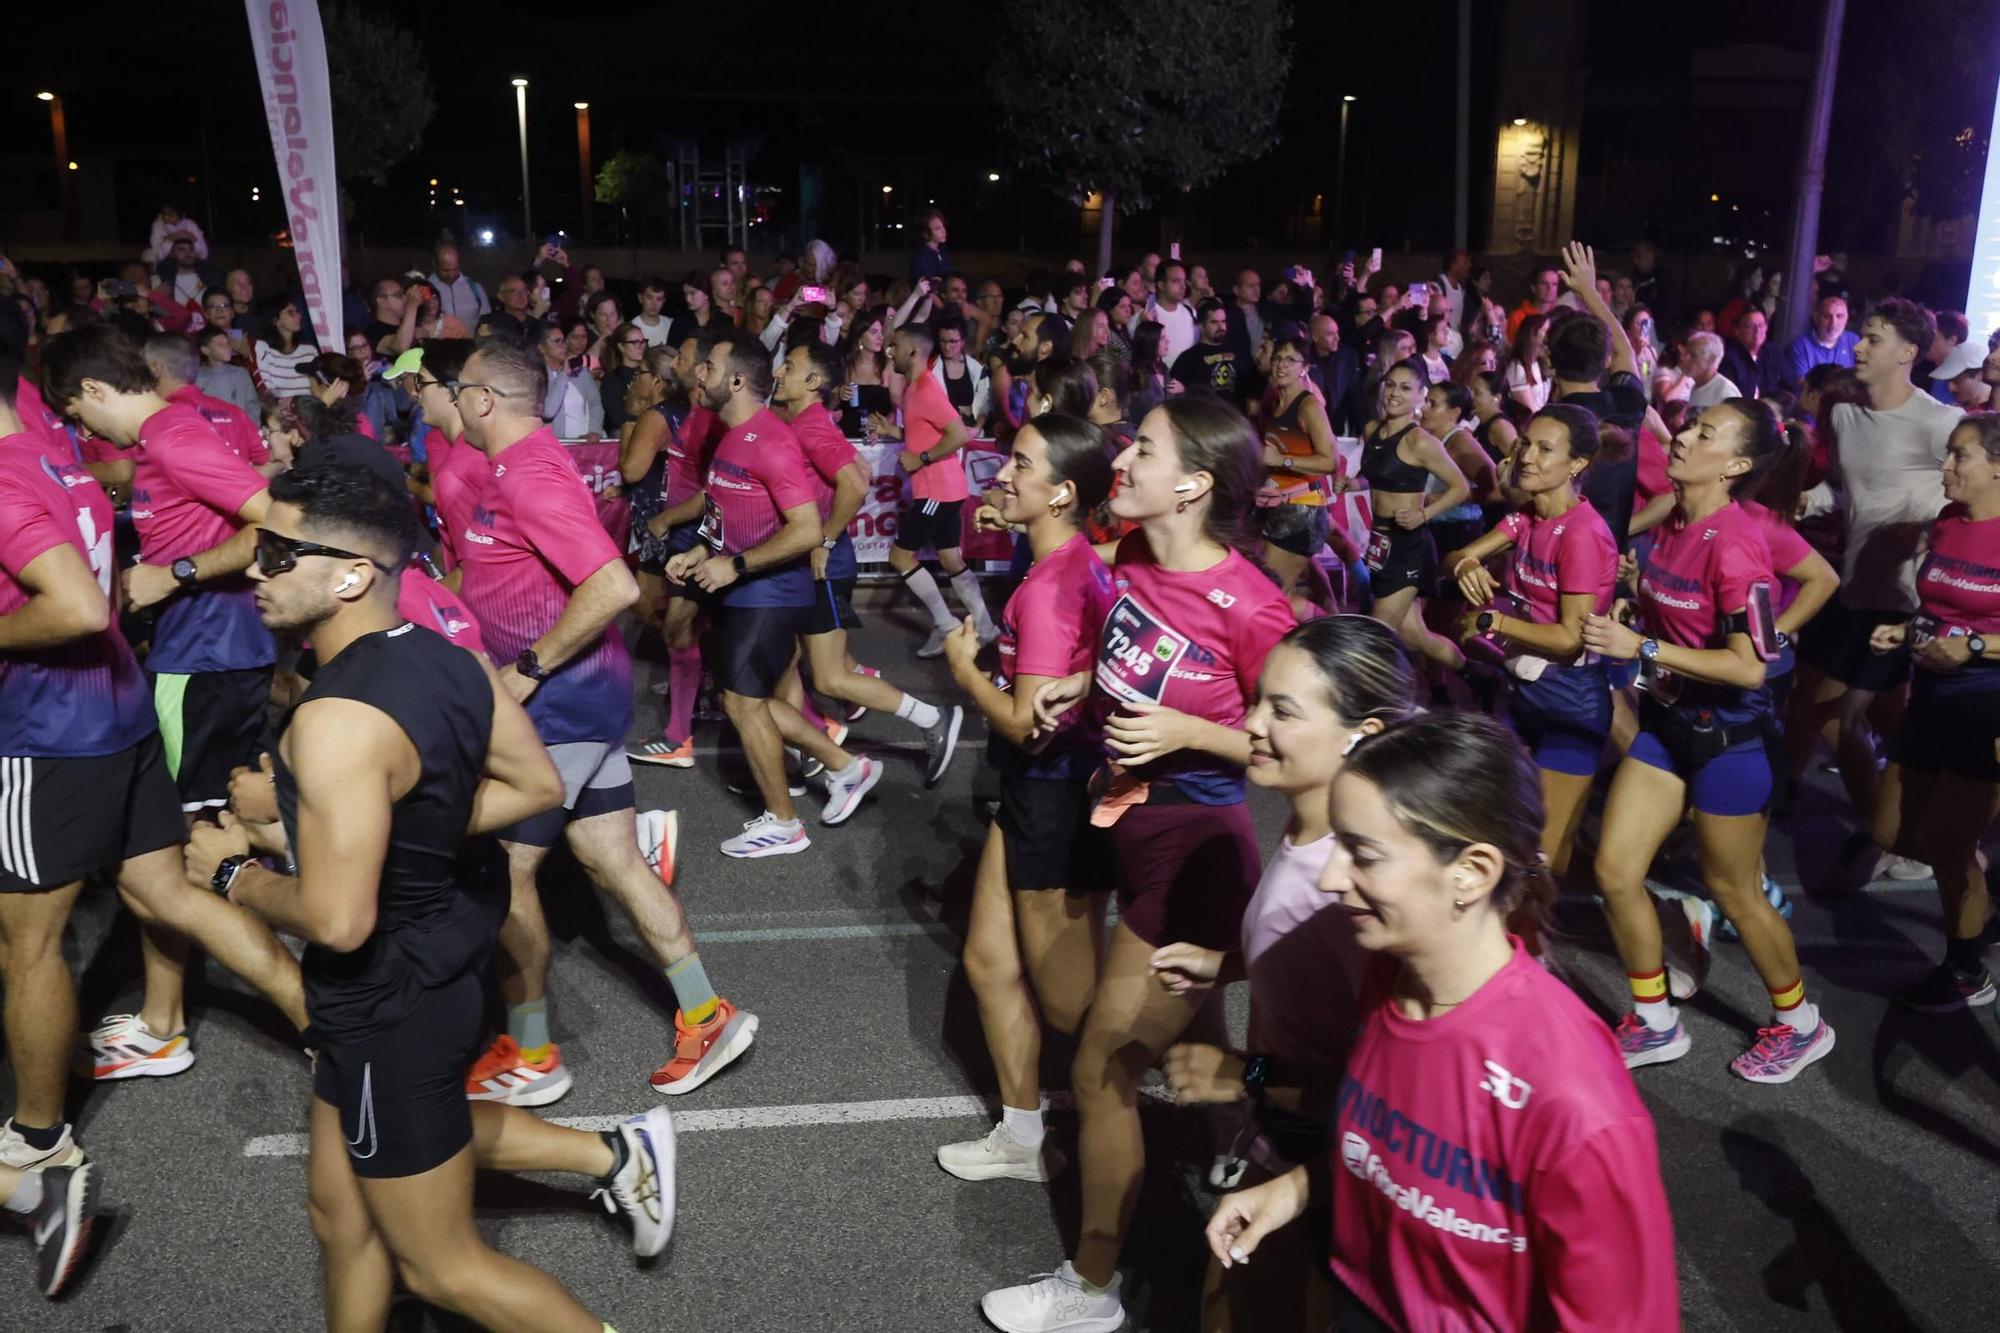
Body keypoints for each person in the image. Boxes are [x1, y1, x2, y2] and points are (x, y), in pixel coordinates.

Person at [228, 464, 673, 1331]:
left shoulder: (331, 721)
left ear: (353, 574)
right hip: (437, 956)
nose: (254, 567)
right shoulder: (455, 657)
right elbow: (538, 784)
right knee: (340, 1218)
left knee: (441, 1270)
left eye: (278, 552)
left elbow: (336, 917)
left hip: (387, 995)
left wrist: (232, 876)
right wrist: (416, 825)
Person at [1204, 712, 1679, 1332]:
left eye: (1363, 855)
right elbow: (1415, 1157)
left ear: (1472, 873)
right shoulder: (1389, 979)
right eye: (1336, 844)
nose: (1329, 878)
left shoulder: (1573, 1097)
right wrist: (1300, 1188)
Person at [981, 398, 1295, 1333]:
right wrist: (1083, 684)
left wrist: (1192, 729)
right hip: (1131, 832)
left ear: (1193, 484)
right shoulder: (1133, 562)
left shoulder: (1253, 605)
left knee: (1103, 1065)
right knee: (1194, 1049)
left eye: (1144, 449)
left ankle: (1091, 1289)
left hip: (1197, 858)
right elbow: (1130, 654)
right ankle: (1253, 1148)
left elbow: (1303, 749)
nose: (1123, 458)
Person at [448, 336, 755, 1099]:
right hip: (576, 698)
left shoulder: (536, 477)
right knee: (612, 860)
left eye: (457, 390)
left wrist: (527, 668)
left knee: (506, 868)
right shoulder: (508, 469)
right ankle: (706, 1013)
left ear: (484, 399)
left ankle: (530, 1053)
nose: (452, 402)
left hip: (562, 702)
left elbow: (615, 586)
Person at [1152, 615, 1420, 1333]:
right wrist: (1228, 963)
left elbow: (1386, 1096)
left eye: (1282, 710)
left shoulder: (1353, 889)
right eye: (1257, 699)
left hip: (1322, 1149)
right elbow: (1300, 950)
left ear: (1360, 733)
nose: (1251, 722)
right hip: (1281, 1124)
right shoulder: (1310, 827)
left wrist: (1244, 1073)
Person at [1580, 399, 1836, 1083]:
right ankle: (1656, 1018)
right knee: (1614, 869)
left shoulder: (1739, 542)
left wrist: (1644, 643)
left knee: (1735, 889)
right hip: (1668, 726)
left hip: (1731, 740)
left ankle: (1800, 1023)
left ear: (1739, 465)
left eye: (1705, 433)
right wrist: (1638, 606)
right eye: (1691, 424)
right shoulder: (1673, 518)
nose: (1685, 435)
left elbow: (1751, 663)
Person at [935, 415, 1116, 1186]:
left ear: (1064, 491)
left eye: (1020, 465)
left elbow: (1026, 725)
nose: (1002, 475)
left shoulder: (1050, 587)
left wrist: (963, 669)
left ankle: (1146, 1124)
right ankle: (1020, 1134)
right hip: (1033, 791)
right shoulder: (1065, 558)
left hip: (1055, 795)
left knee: (1076, 1010)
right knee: (985, 958)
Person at [664, 335, 885, 855]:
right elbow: (725, 517)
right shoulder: (730, 436)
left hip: (773, 591)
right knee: (747, 701)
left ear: (737, 380)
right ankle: (845, 767)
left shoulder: (771, 440)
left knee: (743, 702)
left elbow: (806, 529)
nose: (700, 373)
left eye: (710, 366)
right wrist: (700, 553)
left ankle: (784, 825)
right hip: (741, 586)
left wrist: (734, 565)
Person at [1794, 299, 1963, 859]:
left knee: (1839, 715)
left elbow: (1975, 495)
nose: (1858, 347)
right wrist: (1811, 500)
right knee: (1886, 725)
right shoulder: (1845, 416)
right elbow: (1847, 490)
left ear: (1908, 354)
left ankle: (1886, 835)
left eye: (1873, 339)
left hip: (1904, 597)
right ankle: (1916, 828)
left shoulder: (1939, 422)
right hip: (1853, 587)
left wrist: (1931, 534)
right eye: (1861, 337)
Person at [772, 340, 964, 783]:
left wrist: (825, 538)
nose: (779, 373)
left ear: (814, 382)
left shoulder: (813, 427)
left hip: (824, 565)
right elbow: (861, 463)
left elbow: (857, 483)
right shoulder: (806, 421)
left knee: (830, 678)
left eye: (790, 365)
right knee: (790, 661)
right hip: (809, 565)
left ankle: (932, 720)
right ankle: (812, 743)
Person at [1447, 404, 1617, 881]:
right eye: (1525, 444)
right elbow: (1459, 556)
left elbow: (1568, 638)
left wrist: (1491, 624)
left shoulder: (1581, 534)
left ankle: (1663, 910)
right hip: (1523, 688)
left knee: (1539, 860)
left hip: (1569, 699)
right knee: (1513, 835)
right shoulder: (1526, 517)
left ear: (1578, 464)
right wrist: (1465, 566)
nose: (1526, 457)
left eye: (1545, 449)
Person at [1866, 415, 2000, 1010]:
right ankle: (1973, 881)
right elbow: (1943, 604)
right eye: (1947, 454)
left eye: (1959, 457)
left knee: (1948, 841)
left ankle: (1967, 970)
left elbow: (1975, 631)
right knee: (1890, 829)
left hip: (1986, 703)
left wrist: (1973, 646)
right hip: (1932, 694)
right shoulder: (1948, 523)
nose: (1945, 467)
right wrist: (1907, 629)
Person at [878, 323, 999, 658]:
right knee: (949, 557)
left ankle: (946, 625)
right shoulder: (915, 389)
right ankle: (986, 628)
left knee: (900, 557)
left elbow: (959, 434)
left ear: (914, 351)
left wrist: (922, 458)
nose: (891, 351)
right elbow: (923, 430)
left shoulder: (926, 389)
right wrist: (893, 429)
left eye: (896, 346)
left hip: (936, 492)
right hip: (945, 489)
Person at [1348, 357, 1470, 677]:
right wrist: (1355, 483)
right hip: (1380, 542)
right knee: (1415, 636)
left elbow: (1460, 487)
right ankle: (1476, 678)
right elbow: (1376, 474)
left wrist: (1424, 514)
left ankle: (1371, 708)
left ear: (1420, 395)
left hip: (1408, 545)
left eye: (1405, 388)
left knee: (1376, 632)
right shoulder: (1373, 429)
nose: (1394, 393)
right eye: (1390, 385)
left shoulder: (1420, 441)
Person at [622, 340, 708, 768]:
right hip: (683, 532)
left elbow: (631, 469)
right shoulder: (691, 415)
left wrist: (627, 424)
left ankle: (681, 727)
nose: (677, 365)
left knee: (669, 618)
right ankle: (690, 696)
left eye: (684, 358)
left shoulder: (666, 417)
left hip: (684, 532)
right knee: (679, 623)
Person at [1255, 333, 1339, 606]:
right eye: (1278, 358)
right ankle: (1328, 628)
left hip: (1302, 511)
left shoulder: (1309, 405)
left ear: (1305, 368)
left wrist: (1283, 460)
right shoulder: (1274, 402)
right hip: (1277, 507)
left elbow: (1330, 461)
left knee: (1270, 596)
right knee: (1282, 597)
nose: (1281, 364)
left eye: (1291, 360)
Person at [1168, 299, 1248, 407]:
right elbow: (1174, 392)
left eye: (1223, 321)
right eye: (1214, 322)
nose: (1221, 327)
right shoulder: (1188, 358)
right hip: (1204, 417)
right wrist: (1187, 389)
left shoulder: (1238, 351)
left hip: (1234, 416)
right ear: (1201, 327)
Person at [537, 320, 604, 438]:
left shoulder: (580, 372)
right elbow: (548, 411)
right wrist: (563, 375)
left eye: (563, 341)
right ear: (542, 348)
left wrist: (594, 430)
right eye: (557, 341)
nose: (563, 345)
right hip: (558, 446)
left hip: (586, 443)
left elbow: (595, 404)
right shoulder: (537, 375)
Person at [255, 298, 319, 400]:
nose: (299, 316)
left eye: (297, 311)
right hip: (277, 412)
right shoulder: (263, 348)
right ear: (276, 320)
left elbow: (318, 387)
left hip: (308, 411)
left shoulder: (310, 351)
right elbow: (266, 388)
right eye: (291, 312)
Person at [428, 242, 490, 329]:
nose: (451, 275)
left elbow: (486, 320)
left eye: (455, 269)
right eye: (446, 270)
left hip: (471, 342)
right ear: (435, 264)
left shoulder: (475, 288)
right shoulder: (426, 288)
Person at [1149, 258, 1199, 367]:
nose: (1183, 286)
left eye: (1184, 281)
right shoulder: (1147, 315)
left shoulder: (1191, 313)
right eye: (1176, 281)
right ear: (1161, 285)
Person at [1720, 308, 1777, 399]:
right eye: (1751, 326)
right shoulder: (1729, 357)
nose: (1758, 330)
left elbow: (1789, 383)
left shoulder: (1772, 351)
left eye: (1761, 325)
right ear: (1737, 331)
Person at [1503, 312, 1551, 413]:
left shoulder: (1538, 364)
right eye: (1546, 331)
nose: (1549, 336)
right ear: (1532, 333)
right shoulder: (1518, 368)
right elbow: (1529, 411)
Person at [1683, 331, 1740, 409]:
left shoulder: (1725, 392)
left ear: (1711, 359)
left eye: (1693, 355)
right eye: (1686, 354)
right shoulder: (1696, 387)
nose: (1684, 359)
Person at [1505, 263, 1560, 342]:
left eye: (1554, 284)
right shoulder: (1517, 317)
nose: (1550, 288)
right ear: (1533, 288)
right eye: (1544, 283)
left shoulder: (1562, 316)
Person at [911, 209, 951, 283]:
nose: (943, 231)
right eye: (937, 228)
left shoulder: (942, 252)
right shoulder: (922, 257)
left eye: (943, 226)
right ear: (925, 234)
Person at [634, 278, 673, 348]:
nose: (654, 303)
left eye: (659, 299)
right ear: (640, 298)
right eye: (649, 297)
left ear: (664, 301)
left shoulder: (672, 324)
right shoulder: (632, 327)